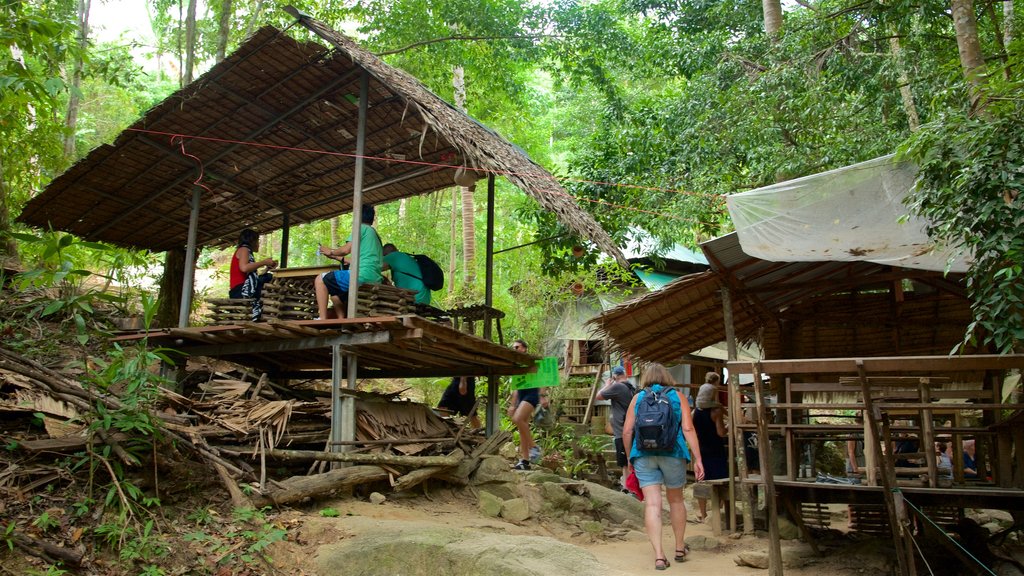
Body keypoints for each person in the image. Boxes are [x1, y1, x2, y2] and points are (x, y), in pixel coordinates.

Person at [622, 363, 704, 571]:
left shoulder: (638, 398)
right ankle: (678, 548)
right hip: (673, 453)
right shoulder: (678, 396)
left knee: (652, 504)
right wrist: (698, 459)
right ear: (667, 377)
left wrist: (631, 457)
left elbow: (627, 431)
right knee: (676, 500)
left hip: (643, 454)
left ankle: (659, 556)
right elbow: (687, 427)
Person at [314, 204, 383, 319]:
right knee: (335, 295)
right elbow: (355, 260)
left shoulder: (360, 228)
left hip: (360, 276)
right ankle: (342, 322)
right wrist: (335, 257)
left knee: (320, 279)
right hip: (374, 277)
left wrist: (331, 251)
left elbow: (346, 249)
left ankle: (322, 318)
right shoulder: (375, 236)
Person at [693, 373, 728, 523]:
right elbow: (720, 433)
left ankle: (703, 514)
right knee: (721, 480)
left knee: (701, 481)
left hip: (701, 450)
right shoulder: (716, 412)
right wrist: (728, 428)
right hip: (716, 450)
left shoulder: (695, 412)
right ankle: (717, 512)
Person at [596, 365, 637, 489]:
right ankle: (629, 486)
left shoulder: (618, 386)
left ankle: (629, 488)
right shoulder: (631, 387)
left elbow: (599, 395)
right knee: (629, 461)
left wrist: (607, 384)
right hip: (629, 429)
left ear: (614, 376)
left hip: (622, 431)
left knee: (625, 463)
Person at [508, 339, 545, 470]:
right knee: (522, 427)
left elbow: (542, 379)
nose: (515, 349)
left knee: (518, 419)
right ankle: (525, 461)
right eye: (513, 347)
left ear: (524, 348)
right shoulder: (517, 365)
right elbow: (516, 387)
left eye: (517, 347)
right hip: (522, 395)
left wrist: (543, 396)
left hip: (532, 394)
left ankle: (534, 446)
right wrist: (513, 405)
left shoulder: (532, 361)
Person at [229, 228, 277, 321]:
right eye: (258, 241)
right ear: (252, 241)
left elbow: (250, 275)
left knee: (266, 277)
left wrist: (267, 268)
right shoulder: (244, 250)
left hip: (241, 289)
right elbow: (244, 268)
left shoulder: (245, 251)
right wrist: (264, 262)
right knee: (268, 278)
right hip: (240, 290)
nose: (259, 244)